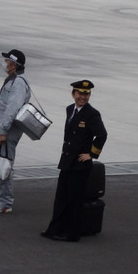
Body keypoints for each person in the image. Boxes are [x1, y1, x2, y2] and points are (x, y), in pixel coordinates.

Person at [43, 80, 108, 241]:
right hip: (67, 160)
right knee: (61, 197)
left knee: (74, 200)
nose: (83, 97)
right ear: (73, 94)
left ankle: (72, 233)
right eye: (80, 94)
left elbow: (102, 134)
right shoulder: (70, 109)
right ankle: (55, 228)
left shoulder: (92, 114)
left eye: (86, 94)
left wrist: (91, 154)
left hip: (80, 164)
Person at [0, 49, 31, 214]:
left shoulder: (18, 83)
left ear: (14, 65)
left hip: (8, 130)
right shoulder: (12, 80)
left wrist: (4, 131)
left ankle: (5, 203)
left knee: (4, 164)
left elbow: (12, 108)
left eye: (7, 61)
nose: (4, 63)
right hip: (4, 128)